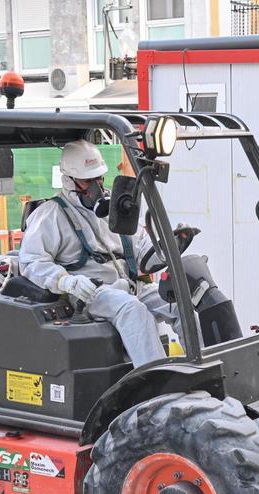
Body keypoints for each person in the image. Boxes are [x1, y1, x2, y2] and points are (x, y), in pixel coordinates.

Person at [18, 139, 176, 367]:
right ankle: (160, 389)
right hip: (89, 291)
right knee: (133, 310)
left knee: (180, 303)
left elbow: (140, 250)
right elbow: (32, 261)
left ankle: (207, 374)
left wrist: (164, 249)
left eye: (99, 178)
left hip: (130, 285)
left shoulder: (117, 207)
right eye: (87, 181)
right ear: (68, 180)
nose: (97, 187)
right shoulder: (51, 215)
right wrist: (67, 282)